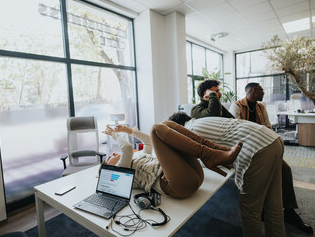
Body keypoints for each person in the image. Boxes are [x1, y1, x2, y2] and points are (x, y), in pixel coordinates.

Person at [169, 112, 285, 237]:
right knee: (273, 204)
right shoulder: (203, 121)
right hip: (273, 140)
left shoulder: (190, 131)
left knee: (250, 208)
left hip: (256, 148)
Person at [229, 82, 313, 234]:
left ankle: (289, 210)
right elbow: (235, 131)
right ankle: (262, 208)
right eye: (261, 90)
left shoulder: (261, 107)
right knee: (263, 175)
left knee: (285, 170)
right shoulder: (236, 107)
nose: (263, 92)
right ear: (252, 91)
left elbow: (268, 127)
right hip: (245, 150)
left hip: (263, 147)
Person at [101, 122, 242, 198]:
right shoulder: (121, 170)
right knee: (156, 128)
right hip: (176, 186)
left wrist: (129, 131)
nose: (112, 154)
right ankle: (211, 156)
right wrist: (114, 135)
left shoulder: (137, 158)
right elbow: (126, 148)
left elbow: (148, 142)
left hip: (193, 176)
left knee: (167, 124)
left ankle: (214, 151)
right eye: (109, 158)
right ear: (109, 167)